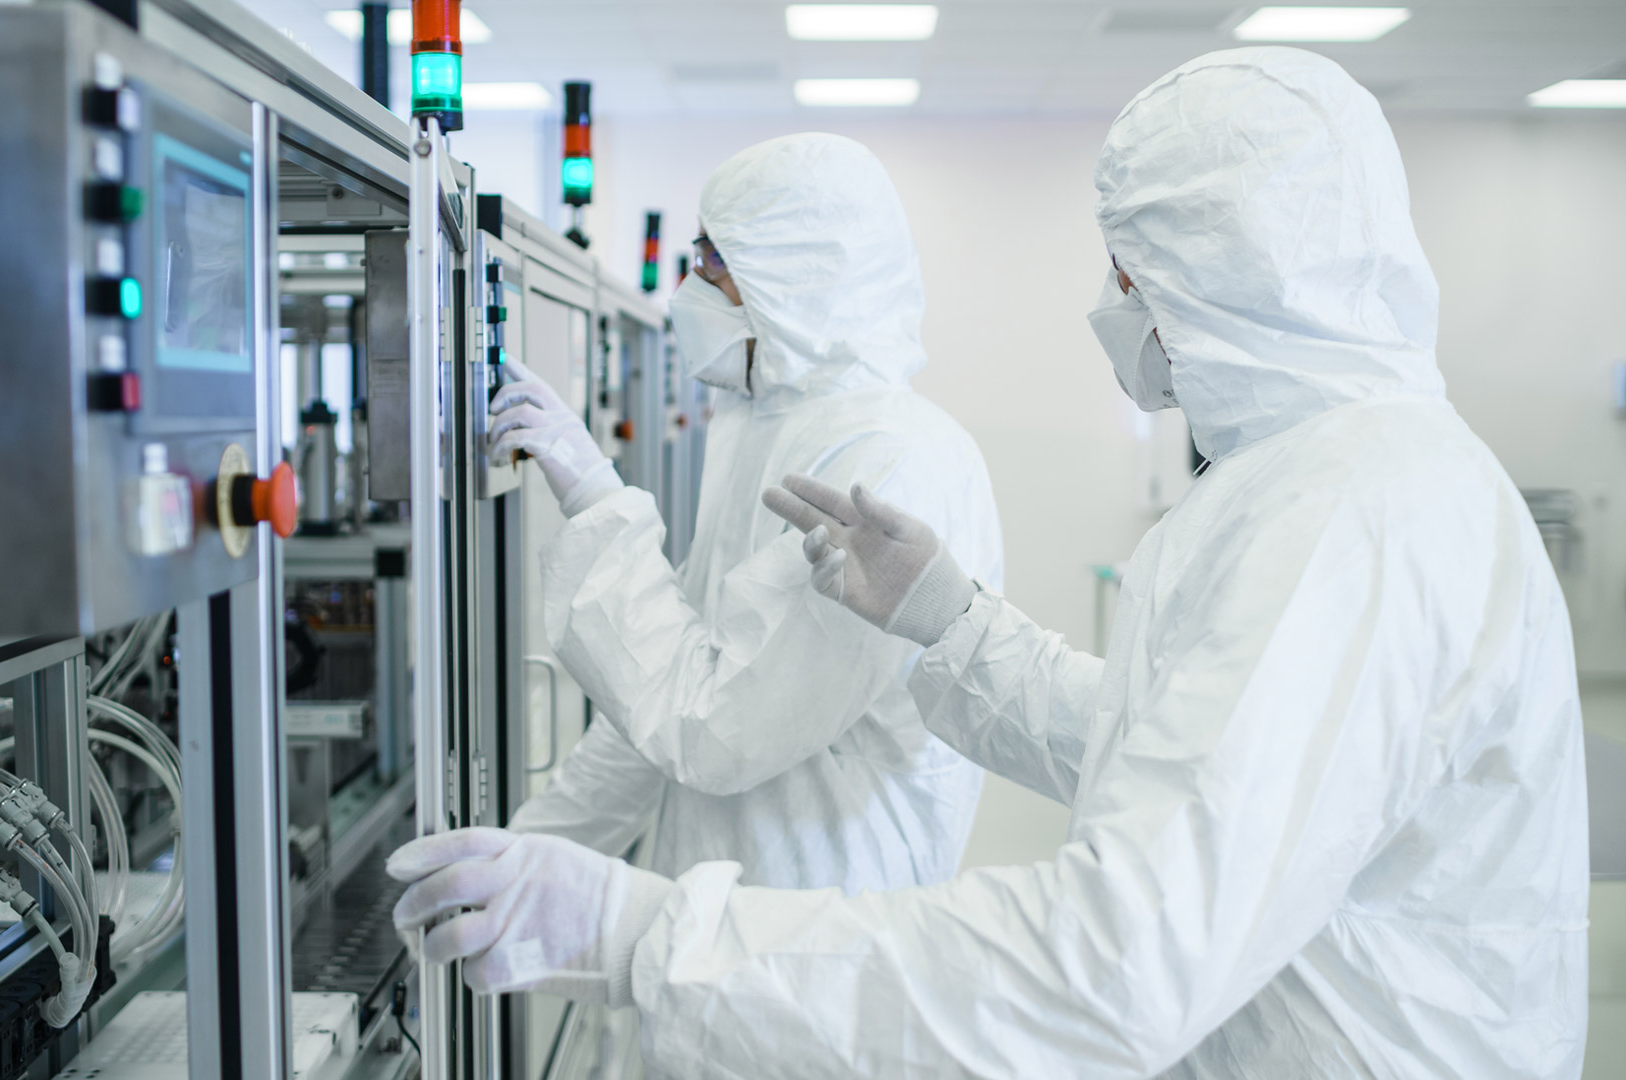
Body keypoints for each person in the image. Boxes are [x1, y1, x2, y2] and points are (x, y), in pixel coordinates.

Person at [388, 47, 1588, 1078]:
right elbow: (1157, 740)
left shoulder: (1357, 515)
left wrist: (641, 931)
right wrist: (955, 627)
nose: (1109, 304)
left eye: (1127, 271)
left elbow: (1121, 951)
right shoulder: (1324, 478)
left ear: (1224, 280)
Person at [486, 136, 1004, 905]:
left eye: (713, 263)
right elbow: (664, 686)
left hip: (826, 927)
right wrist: (519, 859)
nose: (691, 287)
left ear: (794, 275)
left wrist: (598, 502)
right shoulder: (761, 424)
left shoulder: (888, 456)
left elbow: (715, 727)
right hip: (728, 910)